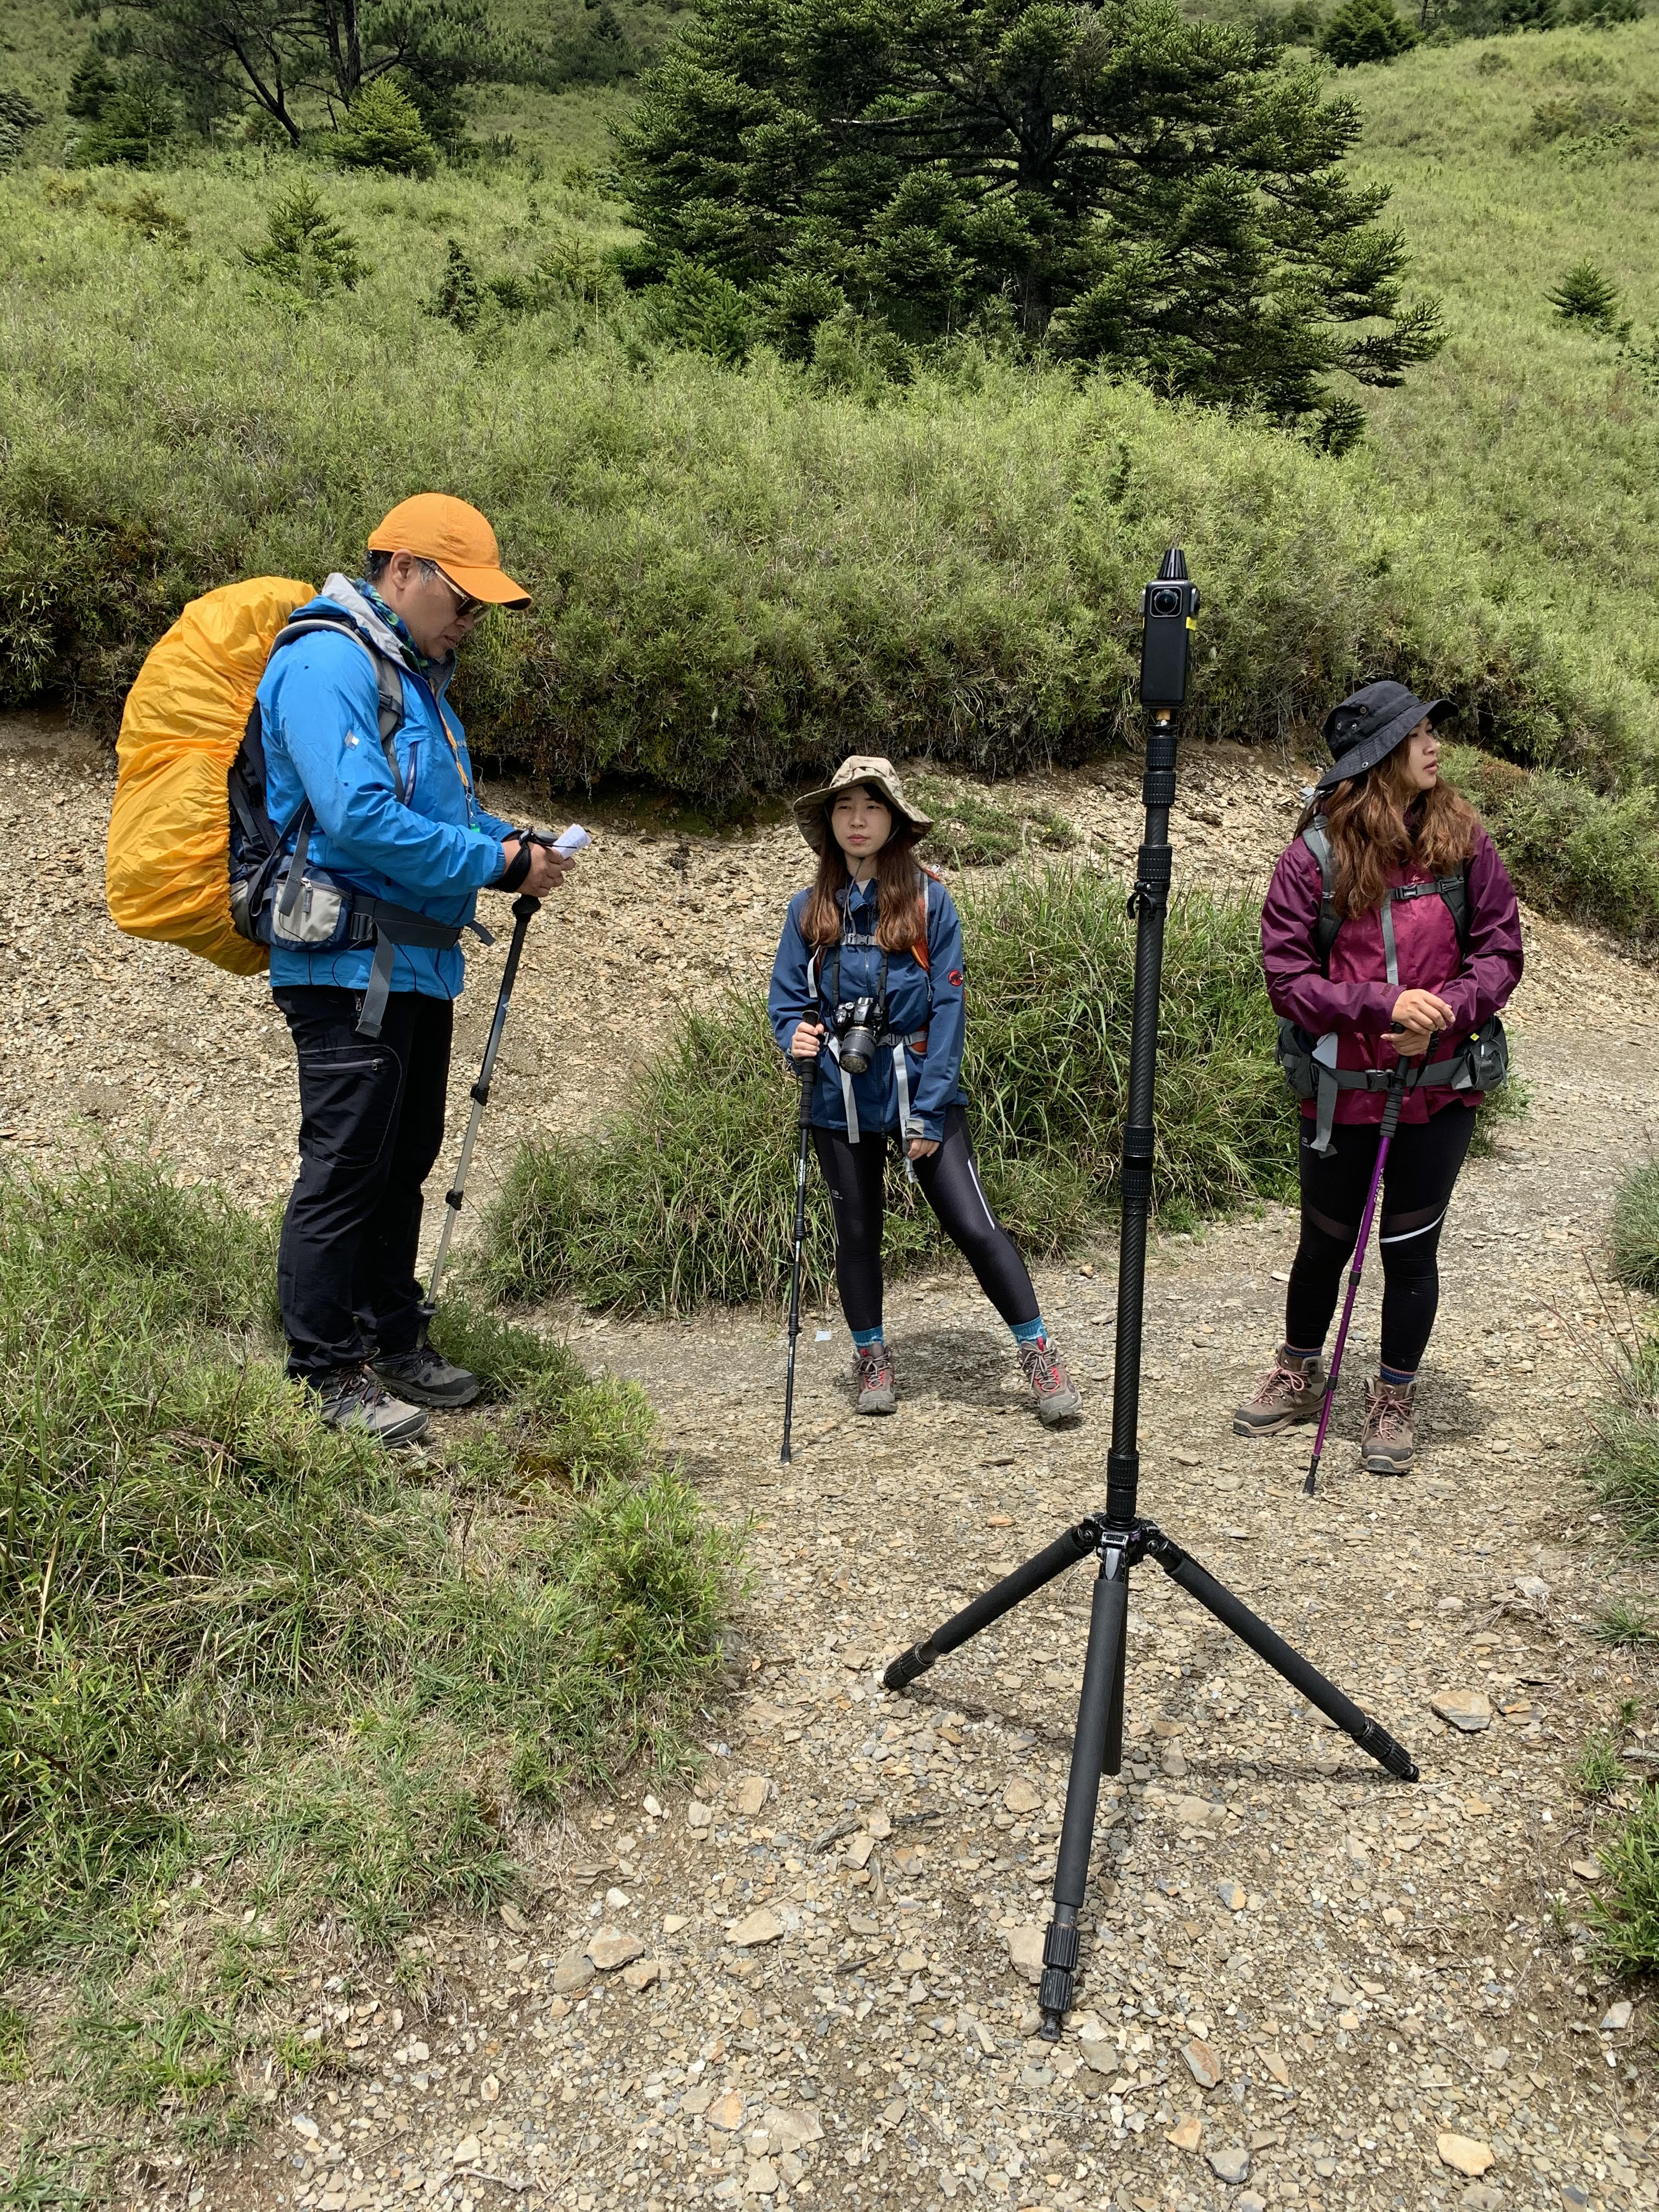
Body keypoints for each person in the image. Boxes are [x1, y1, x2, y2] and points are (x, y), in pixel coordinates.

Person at [256, 493, 571, 1444]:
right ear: (403, 571)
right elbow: (356, 818)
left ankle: (390, 1335)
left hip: (414, 964)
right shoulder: (324, 662)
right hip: (345, 960)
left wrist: (510, 838)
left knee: (403, 1161)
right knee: (347, 1164)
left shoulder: (413, 678)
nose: (470, 621)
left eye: (480, 606)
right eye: (462, 600)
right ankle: (322, 1371)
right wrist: (497, 865)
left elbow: (440, 810)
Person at [1237, 681, 1523, 1474]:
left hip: (1440, 1088)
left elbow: (1501, 953)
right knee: (1324, 1241)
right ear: (1377, 758)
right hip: (1341, 1093)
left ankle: (1393, 1396)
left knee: (1411, 1247)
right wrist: (1384, 1004)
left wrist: (1448, 1009)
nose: (1434, 744)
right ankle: (1299, 1371)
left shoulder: (1466, 842)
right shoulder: (1313, 857)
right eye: (1417, 734)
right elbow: (1288, 981)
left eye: (1431, 729)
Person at [768, 755, 1080, 1425]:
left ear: (896, 822)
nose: (858, 820)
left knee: (974, 1225)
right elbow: (788, 1001)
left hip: (917, 1084)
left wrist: (930, 1113)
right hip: (838, 1092)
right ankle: (872, 1356)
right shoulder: (808, 909)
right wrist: (793, 1035)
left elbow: (947, 1013)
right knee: (856, 1231)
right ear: (829, 820)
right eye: (846, 806)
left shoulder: (930, 901)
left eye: (873, 806)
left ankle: (1038, 1353)